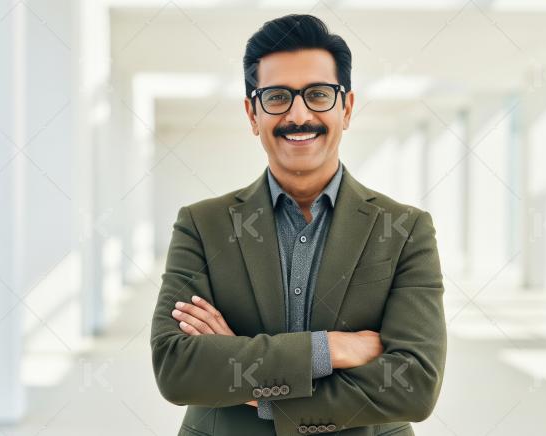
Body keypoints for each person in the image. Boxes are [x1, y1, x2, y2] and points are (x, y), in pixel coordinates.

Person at [150, 14, 447, 436]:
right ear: (253, 114)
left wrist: (256, 385)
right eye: (276, 97)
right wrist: (333, 348)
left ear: (346, 108)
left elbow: (414, 385)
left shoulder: (404, 230)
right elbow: (177, 368)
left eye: (318, 94)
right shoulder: (202, 225)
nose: (299, 114)